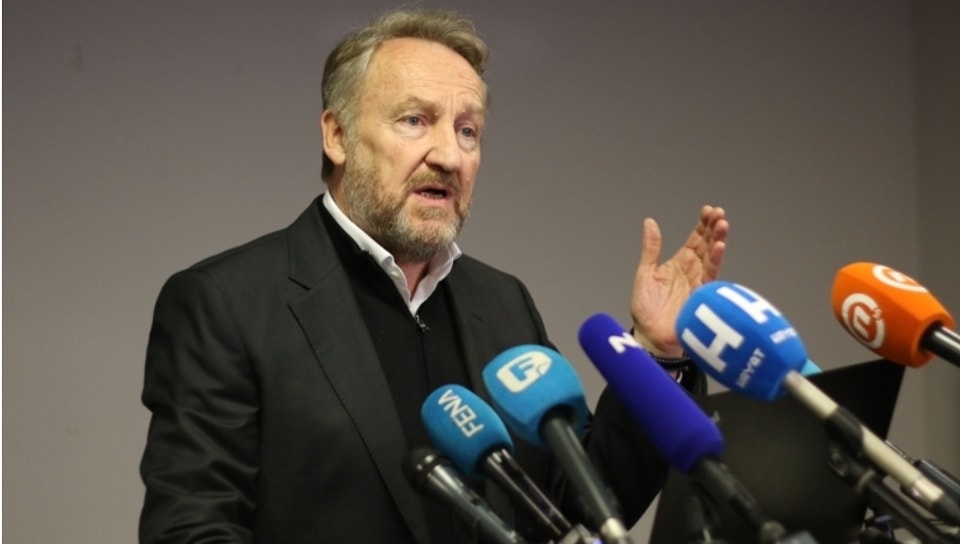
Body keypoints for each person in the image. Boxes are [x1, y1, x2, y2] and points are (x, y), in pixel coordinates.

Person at [138, 7, 729, 544]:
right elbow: (191, 529)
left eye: (467, 131)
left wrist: (657, 355)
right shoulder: (227, 304)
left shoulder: (502, 303)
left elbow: (584, 502)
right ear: (338, 136)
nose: (449, 155)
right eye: (415, 120)